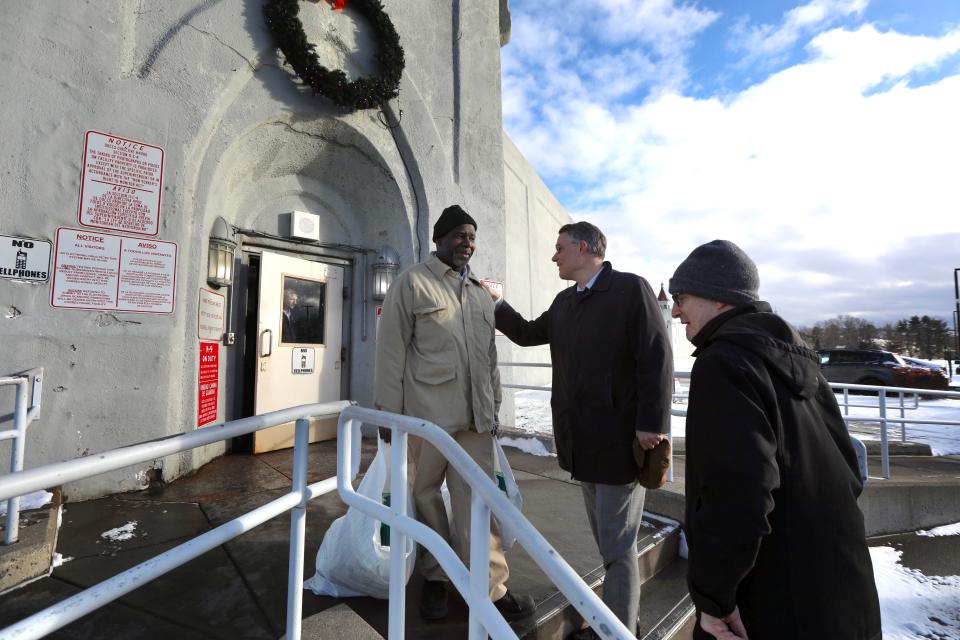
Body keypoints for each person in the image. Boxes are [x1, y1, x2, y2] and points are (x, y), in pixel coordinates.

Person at [668, 240, 881, 640]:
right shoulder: (798, 359)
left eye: (681, 297)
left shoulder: (724, 363)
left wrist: (714, 601)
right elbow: (849, 470)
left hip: (775, 603)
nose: (676, 311)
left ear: (719, 298)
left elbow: (737, 497)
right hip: (841, 593)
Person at [489, 221, 673, 640]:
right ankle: (618, 618)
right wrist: (497, 304)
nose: (554, 256)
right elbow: (527, 333)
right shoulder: (565, 302)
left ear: (586, 248)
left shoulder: (630, 290)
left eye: (560, 248)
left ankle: (619, 629)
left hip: (619, 444)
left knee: (618, 547)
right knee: (609, 542)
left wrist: (651, 425)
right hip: (581, 444)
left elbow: (656, 357)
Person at [374, 204, 534, 622]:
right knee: (426, 499)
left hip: (475, 423)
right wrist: (390, 416)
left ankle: (491, 587)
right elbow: (391, 354)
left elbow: (489, 358)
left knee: (480, 503)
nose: (468, 243)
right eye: (460, 235)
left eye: (473, 236)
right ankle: (436, 579)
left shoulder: (482, 295)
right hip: (428, 419)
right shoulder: (412, 284)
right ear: (440, 239)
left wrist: (494, 406)